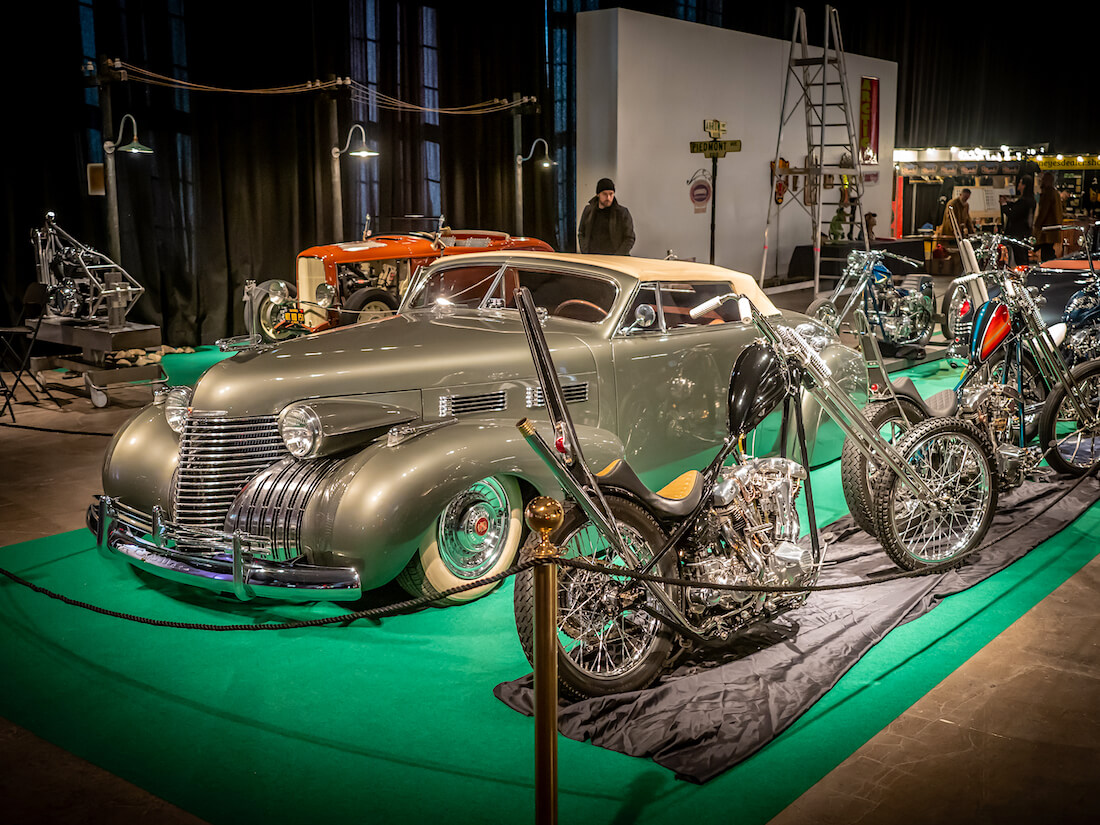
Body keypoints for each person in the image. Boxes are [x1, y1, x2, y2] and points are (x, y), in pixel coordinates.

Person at [577, 178, 635, 255]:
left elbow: (629, 238)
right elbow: (581, 233)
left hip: (614, 260)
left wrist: (618, 256)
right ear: (598, 194)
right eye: (605, 194)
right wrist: (585, 251)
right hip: (592, 258)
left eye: (611, 194)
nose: (608, 198)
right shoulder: (588, 210)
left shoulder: (622, 213)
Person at [1000, 175, 1035, 265]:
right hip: (1025, 233)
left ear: (1024, 185)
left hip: (1018, 234)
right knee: (1023, 258)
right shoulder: (1031, 200)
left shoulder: (1024, 201)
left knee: (1020, 259)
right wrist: (1009, 202)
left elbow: (1013, 214)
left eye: (1020, 182)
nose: (1018, 184)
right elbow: (1017, 208)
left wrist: (1004, 205)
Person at [1034, 171, 1064, 262]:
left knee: (1046, 253)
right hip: (1053, 228)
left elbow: (1044, 211)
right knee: (1049, 250)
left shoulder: (1048, 193)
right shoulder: (1055, 192)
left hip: (1047, 229)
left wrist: (1037, 225)